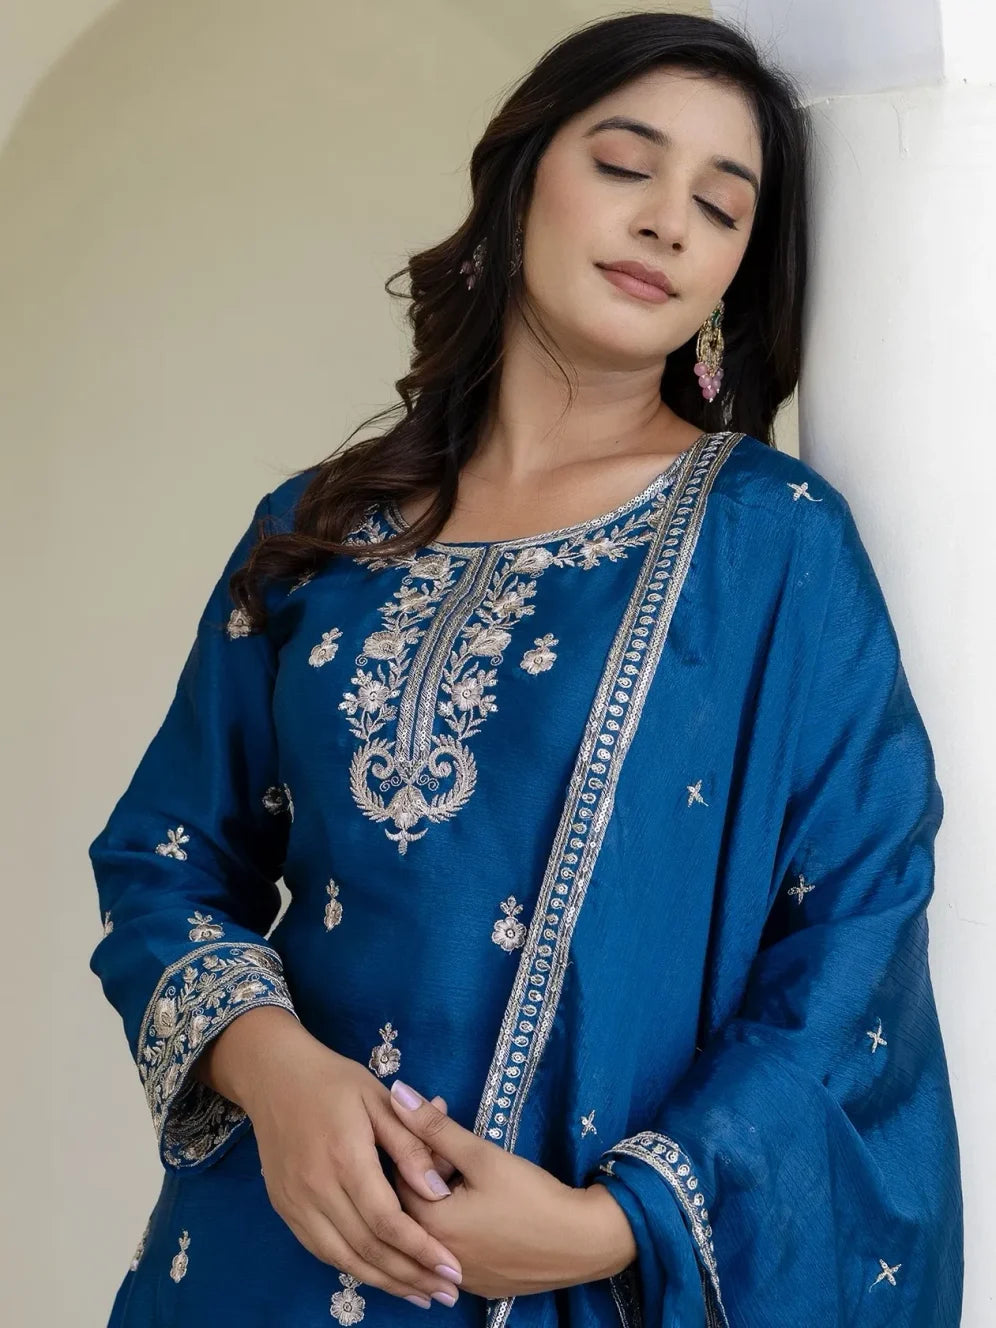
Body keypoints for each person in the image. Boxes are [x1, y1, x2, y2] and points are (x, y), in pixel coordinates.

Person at [87, 11, 963, 1328]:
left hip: (572, 1281)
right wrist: (271, 1073)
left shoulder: (767, 540)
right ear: (519, 180)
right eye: (627, 164)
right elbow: (164, 856)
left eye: (722, 206)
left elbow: (856, 944)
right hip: (261, 1256)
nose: (670, 220)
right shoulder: (317, 529)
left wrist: (614, 1225)